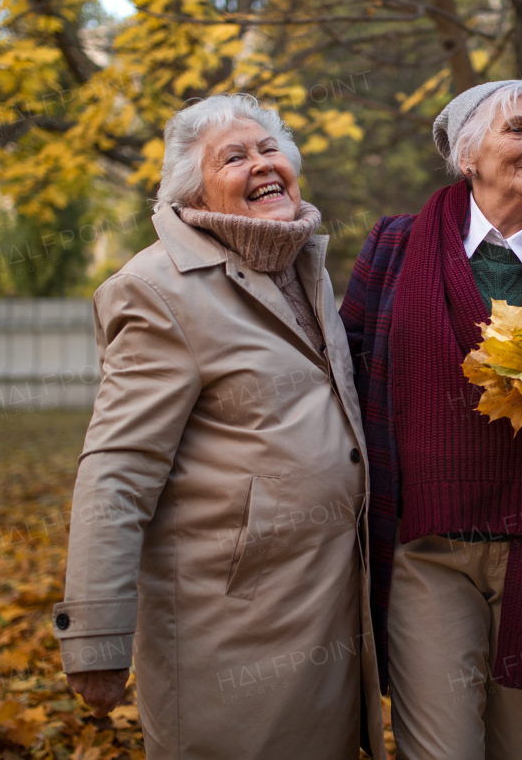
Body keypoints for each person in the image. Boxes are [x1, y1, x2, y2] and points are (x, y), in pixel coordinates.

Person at [51, 94, 385, 760]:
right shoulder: (158, 289)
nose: (261, 164)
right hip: (233, 624)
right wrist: (94, 635)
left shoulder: (300, 266)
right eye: (234, 157)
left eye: (269, 149)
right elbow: (117, 468)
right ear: (193, 189)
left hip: (328, 603)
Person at [340, 80, 522, 760]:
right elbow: (344, 380)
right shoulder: (393, 246)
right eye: (517, 129)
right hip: (426, 546)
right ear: (468, 153)